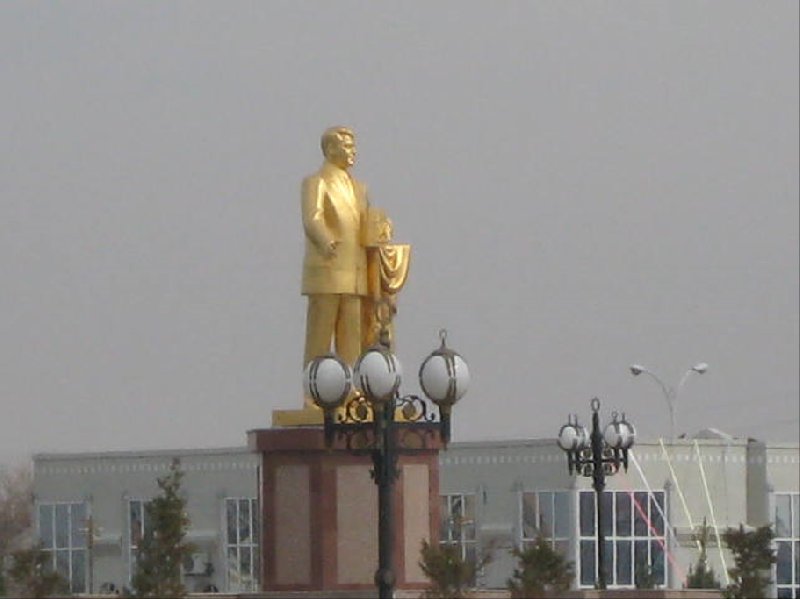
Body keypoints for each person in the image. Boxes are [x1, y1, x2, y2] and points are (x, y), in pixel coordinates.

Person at [301, 126, 369, 369]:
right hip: (327, 270)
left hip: (355, 274)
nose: (353, 151)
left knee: (352, 337)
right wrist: (326, 241)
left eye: (353, 146)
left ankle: (352, 393)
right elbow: (313, 218)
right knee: (320, 336)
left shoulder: (359, 188)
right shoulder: (316, 182)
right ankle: (314, 391)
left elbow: (365, 223)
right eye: (347, 146)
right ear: (331, 149)